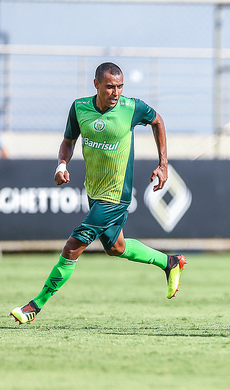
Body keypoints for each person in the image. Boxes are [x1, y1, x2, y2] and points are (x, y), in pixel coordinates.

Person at [10, 62, 187, 324]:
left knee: (72, 247)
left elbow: (158, 121)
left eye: (120, 86)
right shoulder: (79, 108)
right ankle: (170, 262)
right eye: (110, 87)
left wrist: (163, 164)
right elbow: (68, 141)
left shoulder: (132, 108)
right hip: (93, 191)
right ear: (96, 85)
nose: (116, 92)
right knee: (116, 247)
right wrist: (62, 165)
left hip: (116, 195)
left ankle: (34, 306)